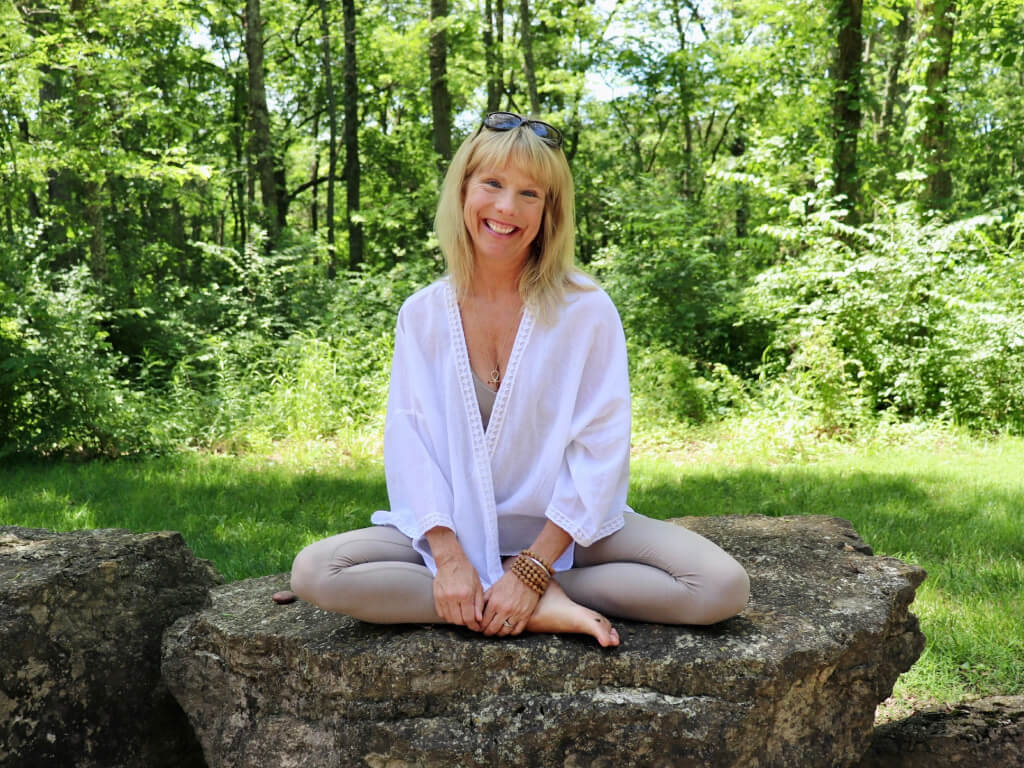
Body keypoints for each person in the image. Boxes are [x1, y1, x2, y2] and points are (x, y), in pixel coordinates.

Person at [290, 112, 749, 646]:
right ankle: (523, 606)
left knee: (720, 586)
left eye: (530, 194)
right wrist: (449, 554)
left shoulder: (586, 310)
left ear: (549, 211)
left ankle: (543, 589)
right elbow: (409, 441)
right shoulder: (423, 314)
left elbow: (600, 448)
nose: (507, 208)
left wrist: (532, 569)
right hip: (457, 523)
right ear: (463, 191)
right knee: (315, 572)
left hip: (564, 532)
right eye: (492, 184)